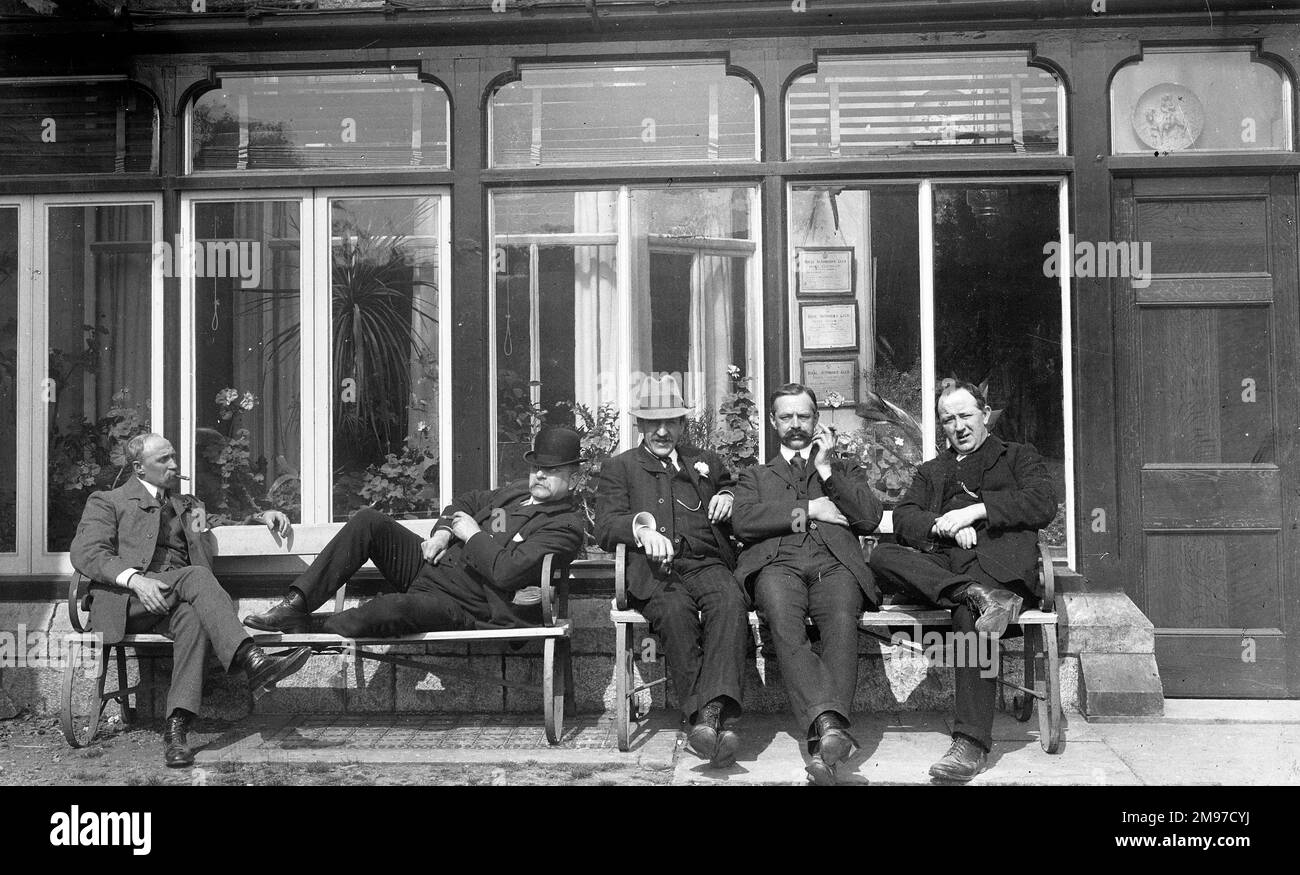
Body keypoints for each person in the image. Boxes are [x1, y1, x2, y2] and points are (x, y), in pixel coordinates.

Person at [70, 433, 312, 767]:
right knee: (196, 575)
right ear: (139, 467)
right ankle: (252, 661)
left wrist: (261, 516)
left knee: (195, 620)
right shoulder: (107, 501)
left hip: (172, 603)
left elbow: (215, 524)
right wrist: (136, 580)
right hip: (129, 602)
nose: (174, 465)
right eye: (164, 460)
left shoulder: (187, 505)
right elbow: (86, 552)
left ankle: (176, 730)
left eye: (173, 457)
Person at [869, 381, 1057, 782]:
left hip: (1001, 571)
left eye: (965, 415)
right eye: (948, 419)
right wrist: (944, 527)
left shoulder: (1017, 457)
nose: (958, 426)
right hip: (948, 572)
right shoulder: (932, 471)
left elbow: (1042, 503)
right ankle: (972, 594)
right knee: (881, 555)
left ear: (985, 414)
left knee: (969, 620)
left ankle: (971, 743)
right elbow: (903, 519)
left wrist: (977, 512)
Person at [243, 426, 587, 639]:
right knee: (368, 521)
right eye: (537, 466)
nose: (540, 474)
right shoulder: (512, 494)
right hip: (430, 566)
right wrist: (441, 534)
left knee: (390, 609)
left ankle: (316, 631)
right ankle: (294, 606)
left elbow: (507, 571)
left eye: (552, 470)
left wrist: (471, 535)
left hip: (462, 604)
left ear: (573, 479)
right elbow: (462, 503)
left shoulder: (564, 526)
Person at [731, 383, 882, 785]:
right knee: (783, 619)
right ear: (772, 421)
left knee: (841, 622)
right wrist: (809, 510)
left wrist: (827, 471)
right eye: (786, 417)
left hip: (834, 563)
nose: (795, 425)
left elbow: (866, 518)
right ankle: (830, 727)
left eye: (804, 416)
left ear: (817, 420)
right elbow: (745, 521)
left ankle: (824, 744)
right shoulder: (755, 474)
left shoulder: (844, 469)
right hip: (777, 564)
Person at [594, 376, 749, 766]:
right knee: (676, 614)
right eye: (652, 423)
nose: (663, 431)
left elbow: (737, 487)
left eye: (672, 422)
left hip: (707, 562)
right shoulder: (621, 467)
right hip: (655, 571)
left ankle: (709, 717)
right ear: (640, 427)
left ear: (683, 424)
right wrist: (642, 530)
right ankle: (706, 718)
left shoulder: (707, 462)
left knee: (729, 603)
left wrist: (729, 496)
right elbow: (605, 526)